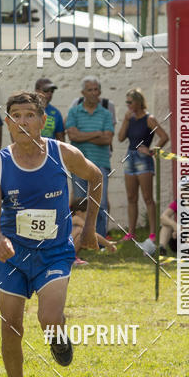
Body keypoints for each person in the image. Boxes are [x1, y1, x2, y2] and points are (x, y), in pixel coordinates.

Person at [0, 91, 102, 377]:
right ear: (8, 123)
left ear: (42, 121)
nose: (22, 121)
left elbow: (95, 177)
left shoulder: (62, 153)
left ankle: (58, 334)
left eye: (29, 115)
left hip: (53, 252)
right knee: (11, 325)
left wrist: (89, 228)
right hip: (13, 253)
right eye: (15, 116)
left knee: (48, 319)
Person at [117, 88, 169, 249]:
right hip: (129, 157)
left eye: (130, 102)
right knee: (131, 197)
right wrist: (125, 120)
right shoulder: (130, 118)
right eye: (127, 102)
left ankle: (153, 232)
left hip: (143, 159)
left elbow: (164, 137)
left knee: (147, 197)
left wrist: (152, 150)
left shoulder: (149, 119)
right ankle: (131, 232)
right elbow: (120, 138)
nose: (128, 105)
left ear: (139, 102)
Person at [65, 76, 114, 237]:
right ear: (83, 92)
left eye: (96, 89)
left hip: (100, 163)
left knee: (100, 203)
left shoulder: (106, 113)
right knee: (80, 203)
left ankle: (99, 240)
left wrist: (83, 135)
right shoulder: (74, 111)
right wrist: (97, 134)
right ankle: (80, 238)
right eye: (90, 90)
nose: (94, 93)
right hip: (79, 164)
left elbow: (107, 139)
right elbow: (73, 135)